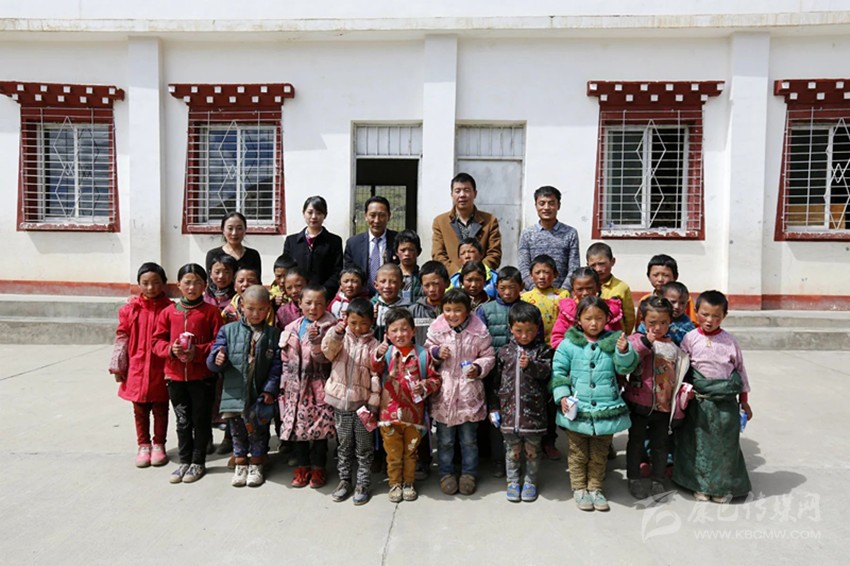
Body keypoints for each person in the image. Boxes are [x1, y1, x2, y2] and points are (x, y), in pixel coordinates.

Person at [552, 296, 639, 512]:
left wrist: (624, 352)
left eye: (599, 318)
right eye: (588, 318)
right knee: (578, 453)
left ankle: (595, 488)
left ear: (607, 319)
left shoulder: (614, 341)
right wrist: (562, 395)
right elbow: (559, 372)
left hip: (605, 408)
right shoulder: (568, 344)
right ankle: (579, 488)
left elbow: (625, 368)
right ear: (578, 320)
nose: (594, 323)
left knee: (600, 453)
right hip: (577, 409)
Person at [674, 290, 753, 504]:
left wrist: (744, 402)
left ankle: (721, 487)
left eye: (716, 316)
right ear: (696, 312)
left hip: (725, 404)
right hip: (698, 402)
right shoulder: (690, 339)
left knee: (725, 446)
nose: (709, 320)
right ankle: (700, 485)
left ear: (724, 316)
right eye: (705, 314)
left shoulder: (730, 342)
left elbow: (740, 372)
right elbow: (682, 369)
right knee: (698, 444)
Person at [152, 264, 223, 484]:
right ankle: (184, 460)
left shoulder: (210, 312)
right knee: (182, 421)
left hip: (202, 377)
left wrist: (198, 352)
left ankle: (198, 461)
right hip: (175, 377)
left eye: (197, 283)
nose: (192, 287)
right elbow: (156, 341)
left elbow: (219, 342)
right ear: (179, 285)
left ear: (205, 285)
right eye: (187, 282)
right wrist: (170, 350)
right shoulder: (169, 312)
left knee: (200, 420)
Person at [207, 285, 281, 488]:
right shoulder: (228, 331)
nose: (256, 314)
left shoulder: (273, 334)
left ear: (268, 308)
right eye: (251, 308)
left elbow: (277, 366)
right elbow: (213, 362)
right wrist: (217, 358)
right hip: (235, 392)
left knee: (260, 429)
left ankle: (257, 463)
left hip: (259, 393)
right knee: (237, 429)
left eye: (261, 309)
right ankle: (240, 462)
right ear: (241, 306)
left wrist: (269, 389)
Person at [425, 289, 496, 496]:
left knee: (469, 440)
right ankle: (446, 473)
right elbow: (427, 350)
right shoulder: (437, 329)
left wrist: (478, 367)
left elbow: (489, 355)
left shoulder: (479, 331)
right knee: (445, 440)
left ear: (468, 310)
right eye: (448, 309)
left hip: (468, 393)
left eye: (458, 310)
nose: (452, 314)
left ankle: (469, 474)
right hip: (445, 393)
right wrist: (436, 353)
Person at [109, 262, 173, 468]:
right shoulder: (130, 309)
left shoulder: (170, 309)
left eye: (156, 282)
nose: (151, 288)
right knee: (140, 409)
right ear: (139, 284)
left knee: (161, 408)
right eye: (145, 283)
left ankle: (159, 444)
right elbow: (122, 337)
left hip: (160, 367)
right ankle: (143, 445)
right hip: (137, 367)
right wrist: (118, 366)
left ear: (164, 283)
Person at [374, 308, 441, 503]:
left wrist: (425, 386)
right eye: (394, 330)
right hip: (389, 415)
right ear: (387, 334)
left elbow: (435, 379)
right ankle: (395, 483)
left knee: (411, 452)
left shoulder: (422, 355)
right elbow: (374, 369)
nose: (400, 334)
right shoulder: (386, 353)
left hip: (414, 416)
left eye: (404, 329)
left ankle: (409, 483)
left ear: (413, 331)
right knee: (393, 453)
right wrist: (377, 355)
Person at [624, 296, 689, 500]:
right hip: (639, 404)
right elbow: (628, 359)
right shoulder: (636, 340)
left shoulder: (673, 347)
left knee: (660, 445)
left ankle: (657, 479)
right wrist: (646, 342)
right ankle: (634, 477)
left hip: (663, 407)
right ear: (643, 320)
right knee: (636, 442)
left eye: (663, 322)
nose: (658, 327)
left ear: (670, 322)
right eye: (652, 322)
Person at [476, 266, 536, 477]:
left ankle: (521, 458)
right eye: (503, 288)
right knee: (495, 416)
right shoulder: (485, 309)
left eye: (512, 287)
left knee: (521, 417)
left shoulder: (529, 309)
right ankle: (497, 460)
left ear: (521, 287)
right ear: (496, 287)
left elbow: (537, 339)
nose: (508, 292)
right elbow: (479, 340)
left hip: (522, 372)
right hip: (494, 372)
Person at [321, 298, 381, 505]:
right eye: (353, 322)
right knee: (344, 446)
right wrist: (336, 334)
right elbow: (327, 351)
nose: (358, 327)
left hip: (363, 405)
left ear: (371, 323)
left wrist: (373, 402)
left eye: (363, 323)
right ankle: (344, 481)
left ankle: (363, 483)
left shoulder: (374, 345)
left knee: (364, 447)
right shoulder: (340, 338)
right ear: (346, 319)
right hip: (340, 403)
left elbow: (376, 375)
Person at [492, 302, 553, 502]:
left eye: (530, 331)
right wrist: (494, 407)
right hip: (509, 414)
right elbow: (496, 382)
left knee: (533, 451)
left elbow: (546, 373)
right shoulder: (504, 352)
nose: (525, 336)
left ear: (537, 328)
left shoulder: (542, 351)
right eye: (519, 331)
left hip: (533, 414)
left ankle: (530, 482)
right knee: (512, 451)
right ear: (511, 328)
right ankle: (512, 481)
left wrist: (531, 365)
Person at [278, 284, 337, 488]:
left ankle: (319, 468)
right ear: (300, 303)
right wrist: (284, 384)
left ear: (326, 304)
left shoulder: (331, 327)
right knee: (297, 429)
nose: (313, 308)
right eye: (308, 303)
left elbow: (328, 358)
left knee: (320, 430)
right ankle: (302, 467)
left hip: (318, 386)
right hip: (294, 388)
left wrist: (316, 342)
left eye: (319, 303)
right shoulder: (291, 328)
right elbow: (285, 358)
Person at [432, 172, 502, 273]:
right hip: (451, 279)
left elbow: (494, 254)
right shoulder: (440, 222)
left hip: (480, 279)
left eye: (466, 190)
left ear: (475, 193)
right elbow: (438, 254)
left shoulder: (490, 221)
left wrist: (476, 272)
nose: (462, 195)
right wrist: (458, 274)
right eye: (457, 191)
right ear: (452, 195)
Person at [518, 186, 580, 292]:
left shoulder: (570, 233)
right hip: (533, 296)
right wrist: (536, 292)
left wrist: (562, 292)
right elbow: (523, 268)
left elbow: (574, 268)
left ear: (558, 205)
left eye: (551, 203)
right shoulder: (527, 234)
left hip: (561, 295)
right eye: (542, 203)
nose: (546, 208)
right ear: (536, 206)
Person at [283, 196, 344, 297]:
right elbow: (286, 269)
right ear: (304, 213)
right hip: (297, 296)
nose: (314, 216)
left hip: (324, 296)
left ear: (325, 215)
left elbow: (337, 271)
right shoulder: (291, 241)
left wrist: (323, 291)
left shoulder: (334, 241)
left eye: (319, 213)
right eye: (310, 212)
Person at [550, 267, 624, 350]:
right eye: (580, 289)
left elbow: (618, 338)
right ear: (573, 289)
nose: (585, 293)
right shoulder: (568, 311)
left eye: (589, 288)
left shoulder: (610, 310)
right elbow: (557, 339)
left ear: (598, 287)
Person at [343, 196, 398, 296]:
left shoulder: (397, 240)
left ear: (389, 216)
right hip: (361, 297)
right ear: (365, 216)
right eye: (372, 215)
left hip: (391, 297)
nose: (377, 220)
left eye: (382, 215)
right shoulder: (353, 243)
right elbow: (348, 273)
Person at [586, 242, 636, 334]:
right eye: (593, 265)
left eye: (602, 264)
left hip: (614, 336)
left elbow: (629, 318)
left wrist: (625, 335)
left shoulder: (621, 288)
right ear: (587, 265)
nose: (598, 269)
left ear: (612, 261)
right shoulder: (585, 287)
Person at [520, 254, 570, 345]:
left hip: (560, 344)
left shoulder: (563, 295)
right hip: (535, 345)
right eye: (537, 273)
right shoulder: (525, 298)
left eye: (546, 272)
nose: (542, 276)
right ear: (531, 275)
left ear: (555, 274)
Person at [635, 254, 696, 327]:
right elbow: (639, 325)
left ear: (675, 277)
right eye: (655, 275)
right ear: (649, 276)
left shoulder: (686, 299)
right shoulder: (645, 300)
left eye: (666, 275)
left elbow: (693, 324)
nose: (660, 279)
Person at [205, 212, 263, 282]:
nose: (234, 233)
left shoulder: (253, 255)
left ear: (245, 229)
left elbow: (257, 282)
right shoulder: (213, 254)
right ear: (223, 230)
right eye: (230, 228)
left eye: (239, 228)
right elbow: (212, 283)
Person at [409, 260, 449, 349]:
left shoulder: (455, 309)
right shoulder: (413, 311)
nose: (431, 289)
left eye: (436, 284)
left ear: (447, 283)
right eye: (427, 285)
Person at [371, 263, 411, 342]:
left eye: (393, 282)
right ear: (376, 285)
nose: (387, 286)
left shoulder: (408, 308)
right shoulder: (371, 306)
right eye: (383, 281)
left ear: (402, 285)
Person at [395, 230, 423, 303]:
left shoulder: (422, 277)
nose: (407, 254)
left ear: (418, 252)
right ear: (396, 252)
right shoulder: (391, 276)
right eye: (403, 250)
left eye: (411, 250)